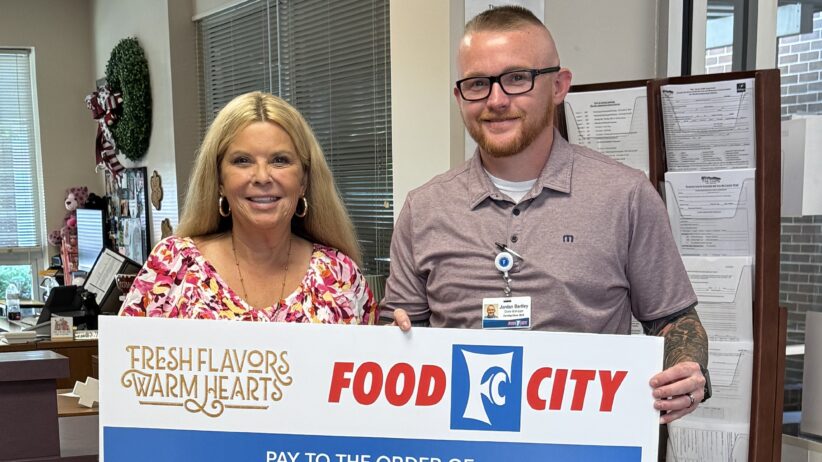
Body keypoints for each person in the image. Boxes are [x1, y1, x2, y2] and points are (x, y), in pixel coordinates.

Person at [381, 6, 709, 424]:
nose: (496, 100)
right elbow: (398, 327)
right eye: (478, 84)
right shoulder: (423, 208)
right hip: (462, 442)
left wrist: (687, 370)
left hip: (586, 442)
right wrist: (393, 337)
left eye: (517, 78)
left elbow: (674, 318)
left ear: (558, 86)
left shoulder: (625, 196)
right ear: (460, 96)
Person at [120, 91, 378, 325]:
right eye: (242, 161)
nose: (262, 177)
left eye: (280, 160)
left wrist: (404, 340)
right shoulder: (173, 266)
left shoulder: (340, 277)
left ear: (304, 181)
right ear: (219, 180)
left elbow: (367, 364)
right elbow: (125, 367)